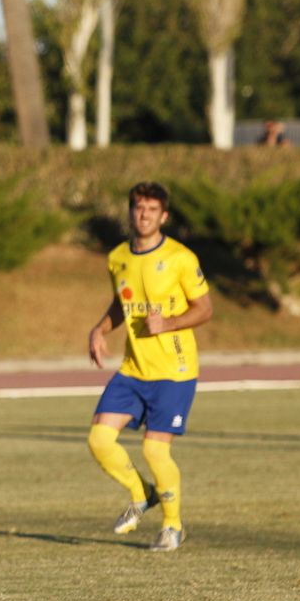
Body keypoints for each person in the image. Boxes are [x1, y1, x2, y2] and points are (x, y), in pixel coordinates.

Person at [86, 182, 214, 552]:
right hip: (133, 368)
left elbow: (205, 309)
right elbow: (120, 304)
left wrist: (169, 323)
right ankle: (141, 492)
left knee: (155, 451)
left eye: (152, 210)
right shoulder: (117, 258)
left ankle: (172, 526)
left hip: (174, 371)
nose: (143, 215)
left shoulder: (180, 258)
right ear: (130, 211)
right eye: (138, 208)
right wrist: (100, 329)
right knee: (98, 439)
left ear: (164, 216)